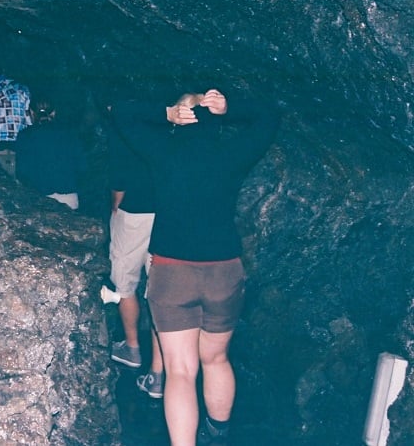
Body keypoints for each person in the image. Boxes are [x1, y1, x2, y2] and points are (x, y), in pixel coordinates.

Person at [112, 88, 280, 446]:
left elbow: (122, 111)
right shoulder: (233, 153)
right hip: (223, 270)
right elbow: (270, 115)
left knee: (180, 371)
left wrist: (164, 113)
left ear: (181, 117)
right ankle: (217, 436)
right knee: (216, 359)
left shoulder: (162, 149)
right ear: (212, 118)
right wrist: (231, 107)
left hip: (173, 273)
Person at [106, 108, 166, 399]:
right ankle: (157, 373)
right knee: (159, 291)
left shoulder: (127, 130)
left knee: (125, 282)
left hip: (134, 212)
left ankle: (132, 348)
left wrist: (115, 210)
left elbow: (120, 178)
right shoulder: (172, 132)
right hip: (167, 216)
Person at [14, 98, 86, 210]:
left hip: (38, 197)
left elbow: (21, 171)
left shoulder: (25, 136)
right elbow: (82, 167)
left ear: (32, 113)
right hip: (68, 195)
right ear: (54, 112)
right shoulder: (70, 134)